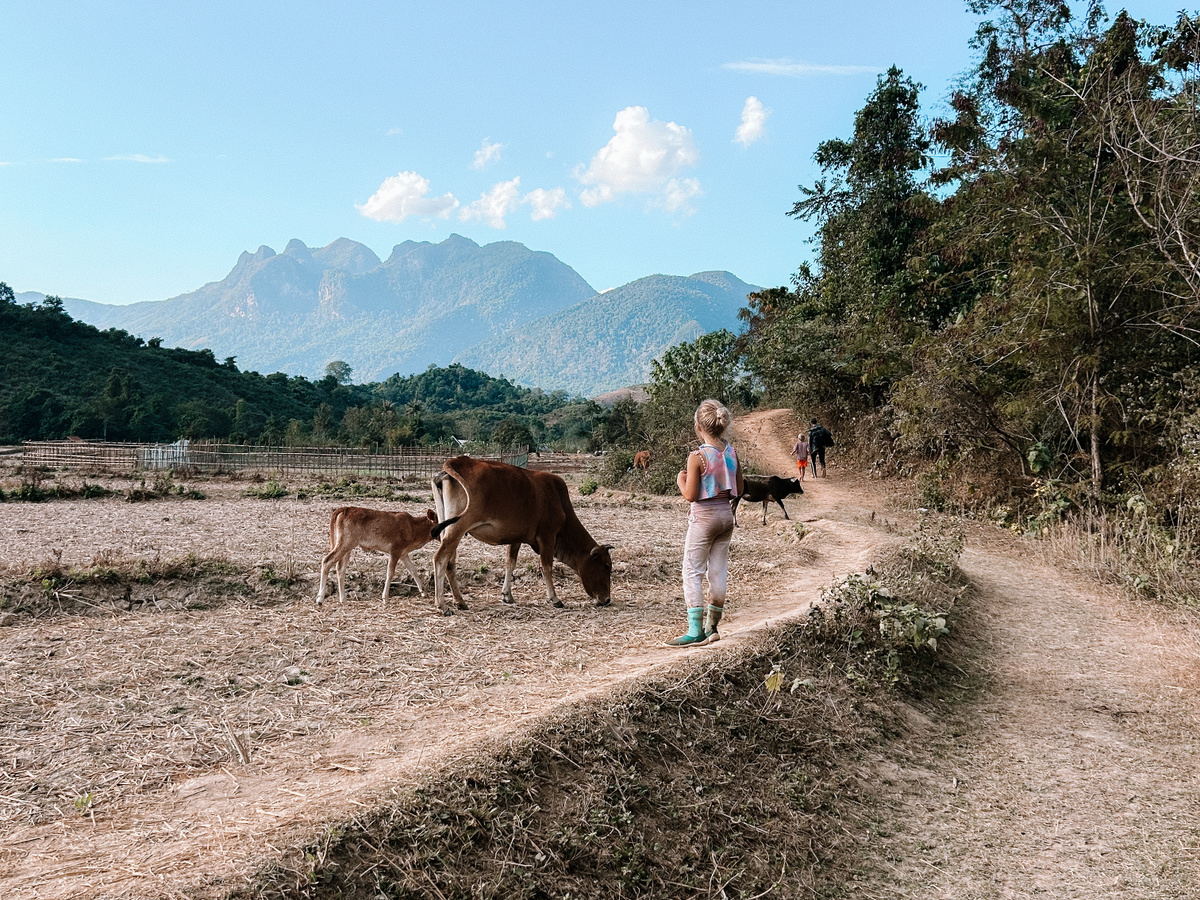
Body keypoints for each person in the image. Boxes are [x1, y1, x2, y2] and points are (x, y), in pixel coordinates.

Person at [667, 399, 744, 647]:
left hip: (704, 518)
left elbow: (690, 495)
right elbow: (740, 489)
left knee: (692, 570)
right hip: (726, 516)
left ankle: (694, 630)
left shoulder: (697, 456)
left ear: (698, 426)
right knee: (718, 570)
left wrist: (681, 479)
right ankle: (713, 626)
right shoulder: (731, 452)